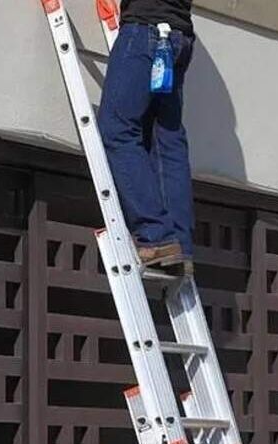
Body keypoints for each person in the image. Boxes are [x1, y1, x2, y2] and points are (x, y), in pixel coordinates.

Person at [98, 0, 195, 274]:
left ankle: (156, 234)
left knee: (116, 129)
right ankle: (179, 244)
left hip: (145, 32)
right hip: (179, 37)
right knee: (168, 140)